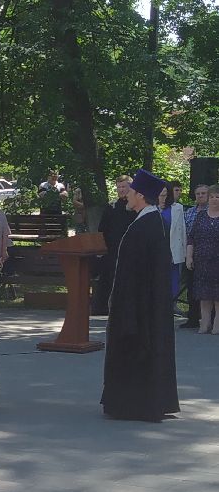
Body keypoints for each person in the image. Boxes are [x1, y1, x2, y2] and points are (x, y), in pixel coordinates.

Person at [101, 169, 178, 422]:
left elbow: (139, 273)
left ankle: (134, 403)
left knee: (137, 349)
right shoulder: (146, 221)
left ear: (141, 196)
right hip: (139, 303)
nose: (127, 196)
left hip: (139, 307)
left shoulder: (147, 225)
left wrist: (128, 304)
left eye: (131, 192)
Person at [93, 175, 135, 315]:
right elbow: (102, 229)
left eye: (124, 187)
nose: (121, 190)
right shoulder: (111, 206)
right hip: (111, 251)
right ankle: (105, 309)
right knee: (109, 279)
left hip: (130, 252)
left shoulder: (136, 207)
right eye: (119, 187)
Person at [186, 184, 219, 334]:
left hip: (217, 260)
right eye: (212, 197)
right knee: (203, 295)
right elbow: (191, 238)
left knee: (217, 296)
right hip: (202, 260)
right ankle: (204, 323)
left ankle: (217, 324)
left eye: (217, 197)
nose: (214, 200)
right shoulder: (200, 216)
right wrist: (189, 256)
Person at [181, 184, 210, 329]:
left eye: (203, 193)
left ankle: (210, 320)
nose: (200, 196)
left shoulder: (213, 212)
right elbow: (186, 233)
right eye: (198, 194)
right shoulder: (189, 212)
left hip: (210, 254)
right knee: (192, 287)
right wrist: (188, 254)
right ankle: (192, 318)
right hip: (192, 252)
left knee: (210, 288)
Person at [158, 181, 186, 301]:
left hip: (173, 250)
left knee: (173, 280)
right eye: (161, 195)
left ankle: (171, 306)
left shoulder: (178, 208)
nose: (163, 198)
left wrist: (184, 252)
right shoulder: (151, 208)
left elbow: (182, 231)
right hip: (157, 251)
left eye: (166, 195)